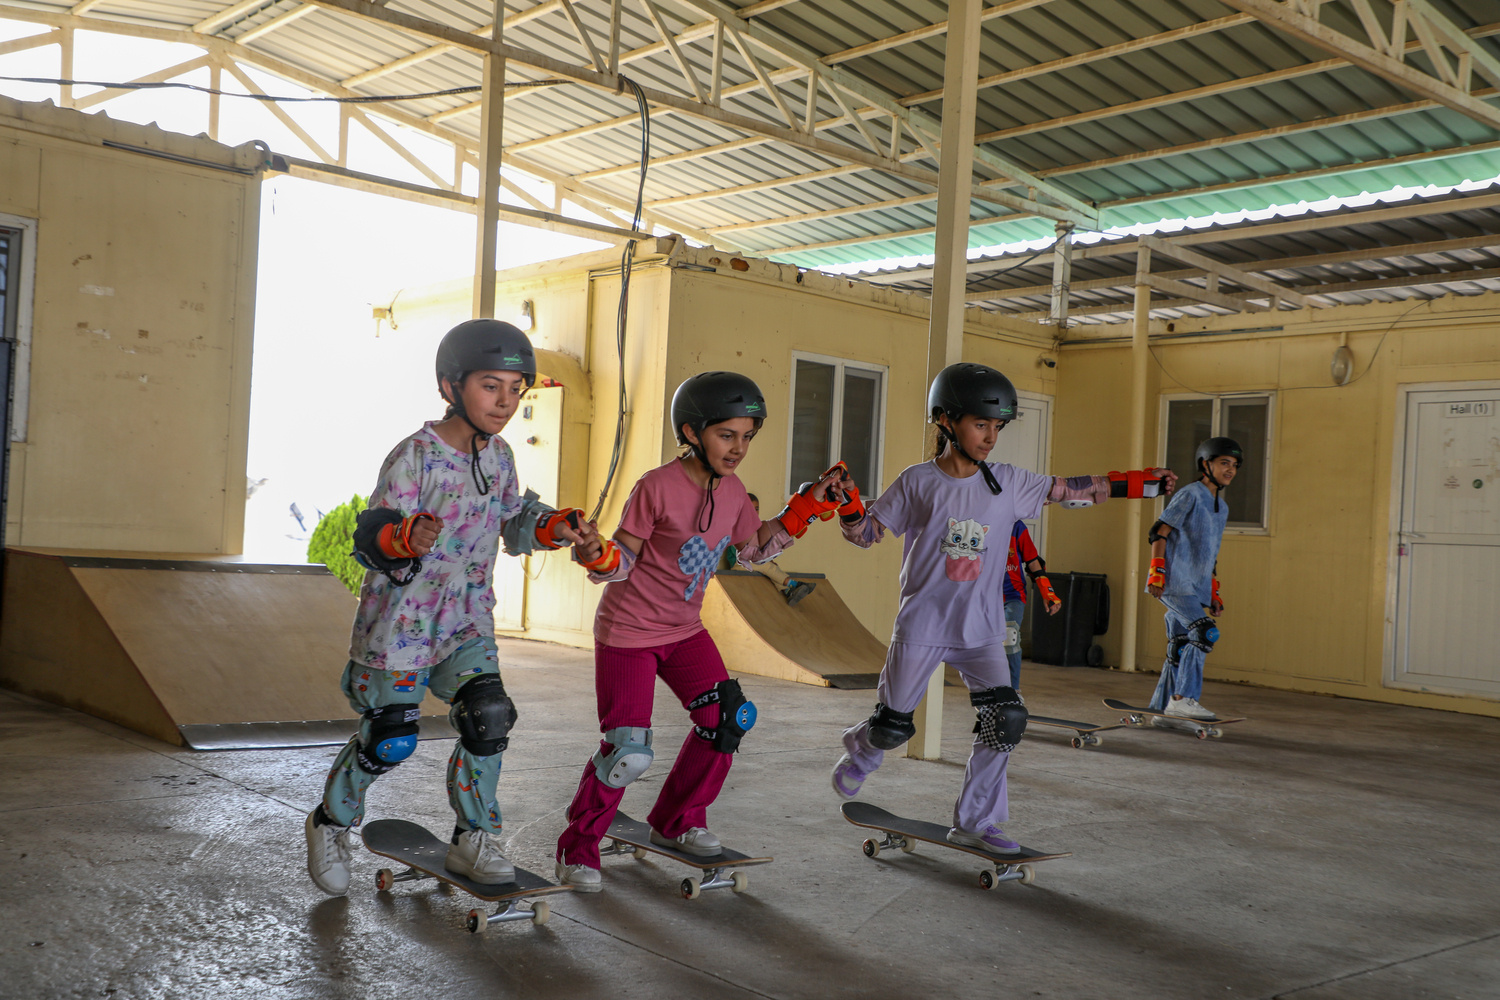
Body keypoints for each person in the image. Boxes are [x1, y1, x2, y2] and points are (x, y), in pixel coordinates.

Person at [304, 319, 599, 897]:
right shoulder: (415, 455)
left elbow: (514, 518)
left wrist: (554, 526)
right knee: (390, 738)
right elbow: (373, 534)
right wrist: (402, 537)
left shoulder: (501, 457)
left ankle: (473, 837)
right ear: (450, 385)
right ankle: (330, 822)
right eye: (492, 386)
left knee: (488, 719)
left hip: (466, 620)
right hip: (402, 627)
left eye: (517, 389)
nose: (506, 402)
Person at [830, 362, 1175, 854]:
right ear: (946, 421)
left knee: (1006, 720)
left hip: (983, 630)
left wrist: (1136, 483)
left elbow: (1069, 489)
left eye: (997, 426)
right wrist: (847, 505)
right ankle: (862, 750)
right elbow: (865, 534)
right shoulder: (918, 481)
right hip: (923, 623)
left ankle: (976, 821)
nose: (991, 436)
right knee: (890, 727)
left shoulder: (1008, 482)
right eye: (980, 424)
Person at [553, 371, 845, 891]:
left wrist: (804, 509)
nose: (738, 448)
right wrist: (597, 555)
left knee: (728, 718)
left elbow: (752, 549)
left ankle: (678, 820)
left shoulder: (733, 493)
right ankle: (578, 849)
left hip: (684, 630)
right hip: (630, 633)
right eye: (726, 435)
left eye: (747, 437)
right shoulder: (656, 486)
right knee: (628, 751)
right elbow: (623, 560)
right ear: (691, 432)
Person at [1144, 436, 1241, 721]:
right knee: (1204, 632)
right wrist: (1156, 572)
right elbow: (1158, 531)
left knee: (1181, 643)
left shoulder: (1221, 508)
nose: (1230, 470)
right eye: (1224, 463)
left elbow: (1210, 555)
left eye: (1234, 465)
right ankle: (1183, 699)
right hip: (1175, 581)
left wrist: (1214, 592)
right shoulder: (1190, 494)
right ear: (1205, 464)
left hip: (1195, 586)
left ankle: (1162, 707)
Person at [1001, 520, 1062, 689]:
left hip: (1013, 594)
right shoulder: (979, 521)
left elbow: (1033, 562)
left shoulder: (1017, 526)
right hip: (984, 597)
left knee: (1010, 635)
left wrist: (1048, 593)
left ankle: (1013, 691)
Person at [738, 493, 817, 606]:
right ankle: (795, 584)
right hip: (741, 564)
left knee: (772, 566)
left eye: (757, 509)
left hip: (753, 562)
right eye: (750, 509)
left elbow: (760, 549)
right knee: (766, 566)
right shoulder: (738, 527)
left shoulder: (757, 526)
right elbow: (740, 553)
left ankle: (788, 591)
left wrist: (766, 558)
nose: (754, 512)